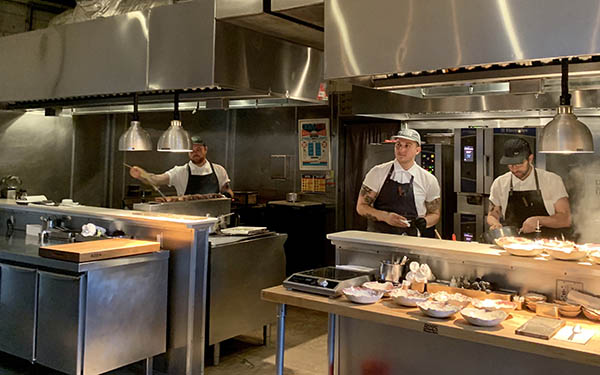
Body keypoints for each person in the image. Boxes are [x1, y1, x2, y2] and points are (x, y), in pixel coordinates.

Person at [356, 128, 441, 237]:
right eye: (398, 145)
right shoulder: (377, 172)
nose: (401, 150)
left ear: (418, 150)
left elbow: (435, 214)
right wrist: (386, 217)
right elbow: (361, 207)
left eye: (407, 146)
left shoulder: (428, 180)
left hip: (412, 241)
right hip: (379, 240)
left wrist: (424, 222)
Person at [487, 138, 571, 238]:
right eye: (510, 164)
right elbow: (492, 214)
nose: (514, 169)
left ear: (530, 159)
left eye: (519, 164)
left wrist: (538, 220)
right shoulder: (500, 183)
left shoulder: (551, 180)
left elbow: (566, 219)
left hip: (547, 243)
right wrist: (495, 223)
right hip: (513, 243)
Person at [129, 135, 234, 198]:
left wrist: (226, 197)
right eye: (191, 150)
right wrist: (141, 175)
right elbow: (156, 180)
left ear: (205, 149)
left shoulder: (219, 170)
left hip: (215, 220)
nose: (195, 152)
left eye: (198, 149)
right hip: (188, 220)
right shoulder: (180, 172)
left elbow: (227, 191)